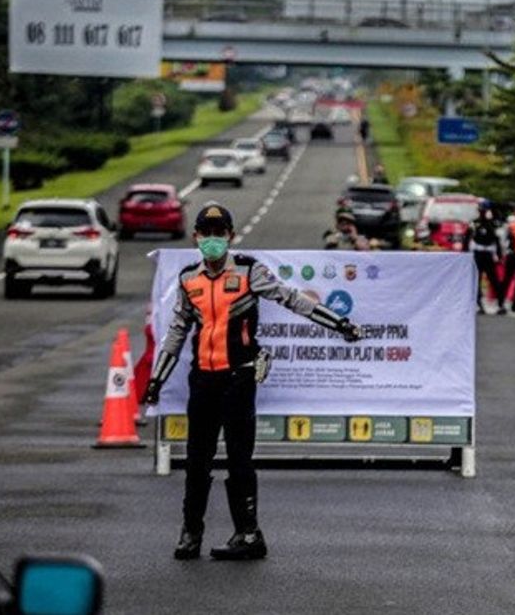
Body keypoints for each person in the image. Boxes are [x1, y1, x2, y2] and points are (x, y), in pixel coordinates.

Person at [145, 202, 362, 561]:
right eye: (206, 233)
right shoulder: (188, 278)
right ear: (196, 237)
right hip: (202, 380)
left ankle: (248, 534)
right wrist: (156, 380)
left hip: (239, 377)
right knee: (197, 459)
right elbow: (178, 330)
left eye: (220, 233)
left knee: (238, 458)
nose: (213, 240)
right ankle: (190, 533)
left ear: (230, 236)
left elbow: (293, 300)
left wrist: (339, 324)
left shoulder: (248, 271)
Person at [467, 200, 506, 315]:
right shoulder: (474, 223)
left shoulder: (493, 224)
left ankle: (500, 304)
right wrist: (465, 254)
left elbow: (497, 241)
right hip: (477, 253)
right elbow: (467, 239)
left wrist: (499, 255)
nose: (482, 211)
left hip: (488, 254)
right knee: (476, 281)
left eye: (484, 209)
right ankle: (479, 304)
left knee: (494, 280)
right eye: (481, 209)